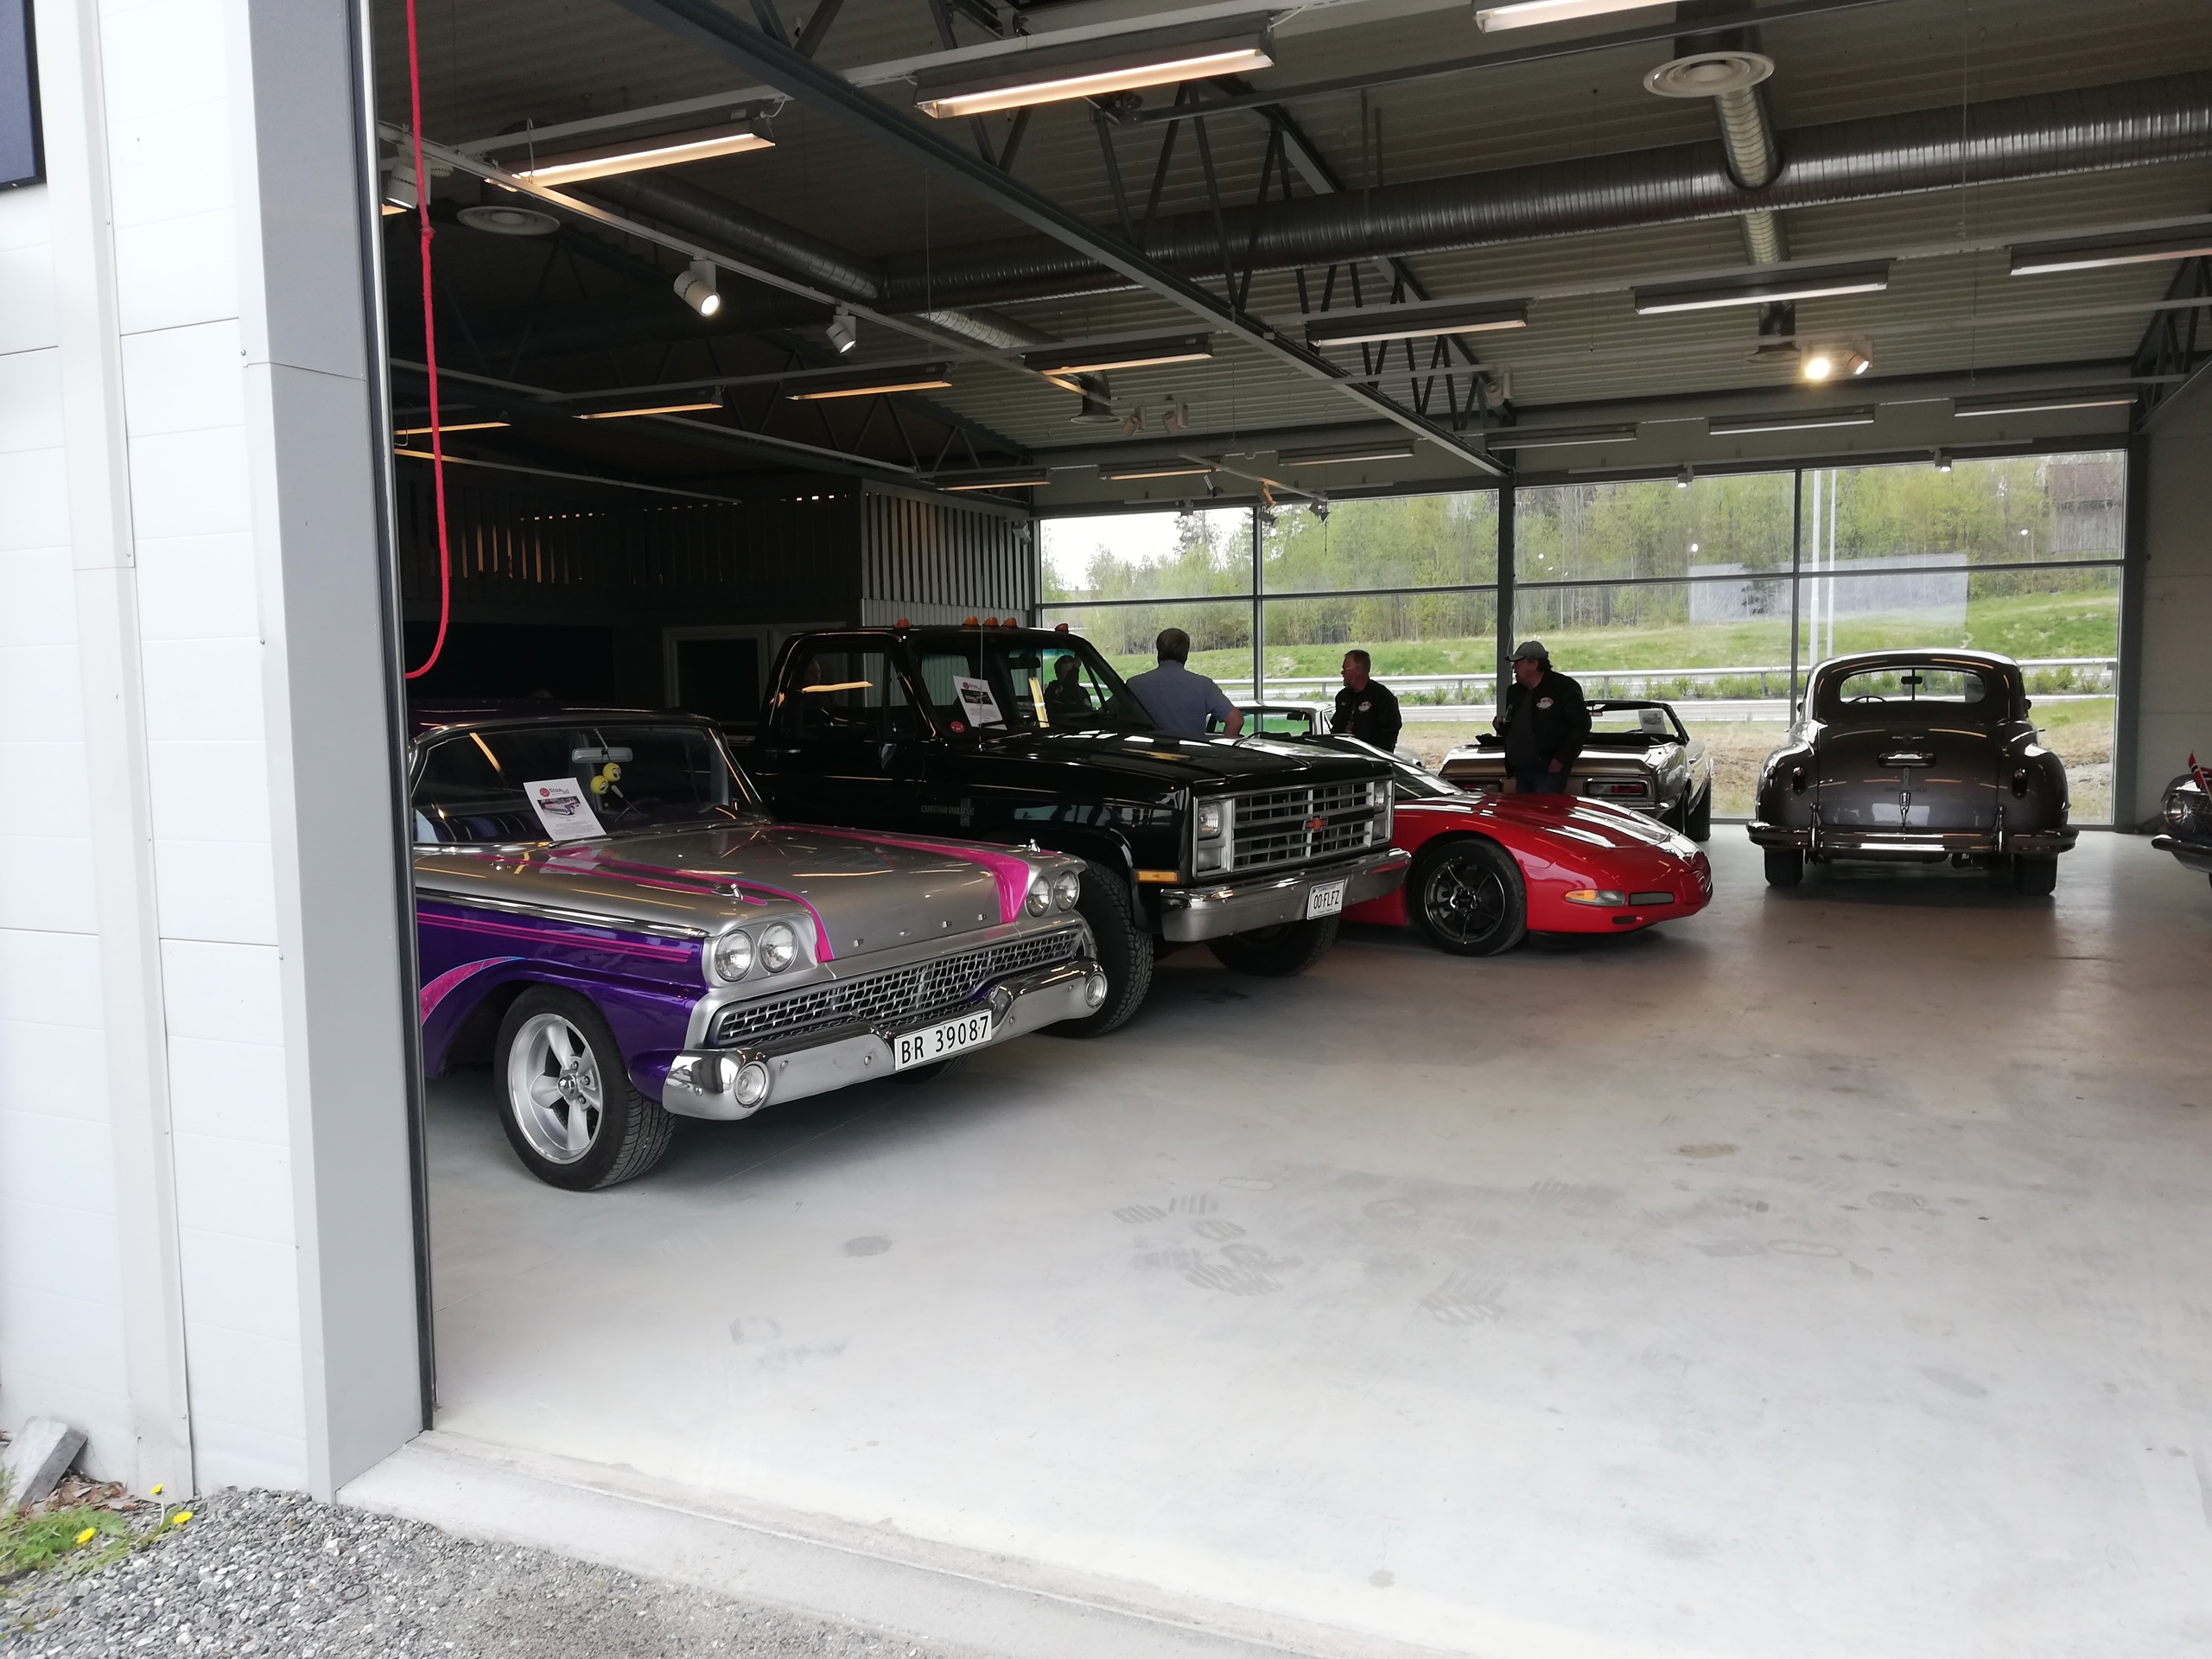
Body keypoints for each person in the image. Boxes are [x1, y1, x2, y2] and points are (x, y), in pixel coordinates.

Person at [1494, 639, 1589, 793]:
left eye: (1518, 663)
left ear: (1534, 664)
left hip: (1548, 771)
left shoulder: (1563, 687)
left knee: (1543, 808)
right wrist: (1500, 726)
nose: (1513, 668)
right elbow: (1517, 728)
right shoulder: (1514, 692)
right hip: (1521, 770)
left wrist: (1561, 759)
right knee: (1523, 809)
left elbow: (1581, 725)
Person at [1124, 627, 1244, 739]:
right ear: (1185, 654)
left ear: (1159, 651)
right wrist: (1219, 751)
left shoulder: (1134, 685)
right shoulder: (1204, 686)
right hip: (1190, 754)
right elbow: (1236, 721)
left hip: (1144, 754)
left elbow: (1115, 721)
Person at [1331, 650, 1402, 753]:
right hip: (1342, 756)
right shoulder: (1342, 697)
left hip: (1372, 758)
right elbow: (1336, 728)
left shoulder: (1383, 698)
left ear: (1358, 670)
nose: (1342, 673)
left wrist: (1372, 753)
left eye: (1345, 669)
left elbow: (1389, 734)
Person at [1041, 652, 1096, 724]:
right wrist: (1075, 668)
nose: (1072, 676)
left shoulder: (1082, 691)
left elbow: (1088, 713)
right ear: (1058, 675)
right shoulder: (1053, 690)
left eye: (1073, 672)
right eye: (1068, 673)